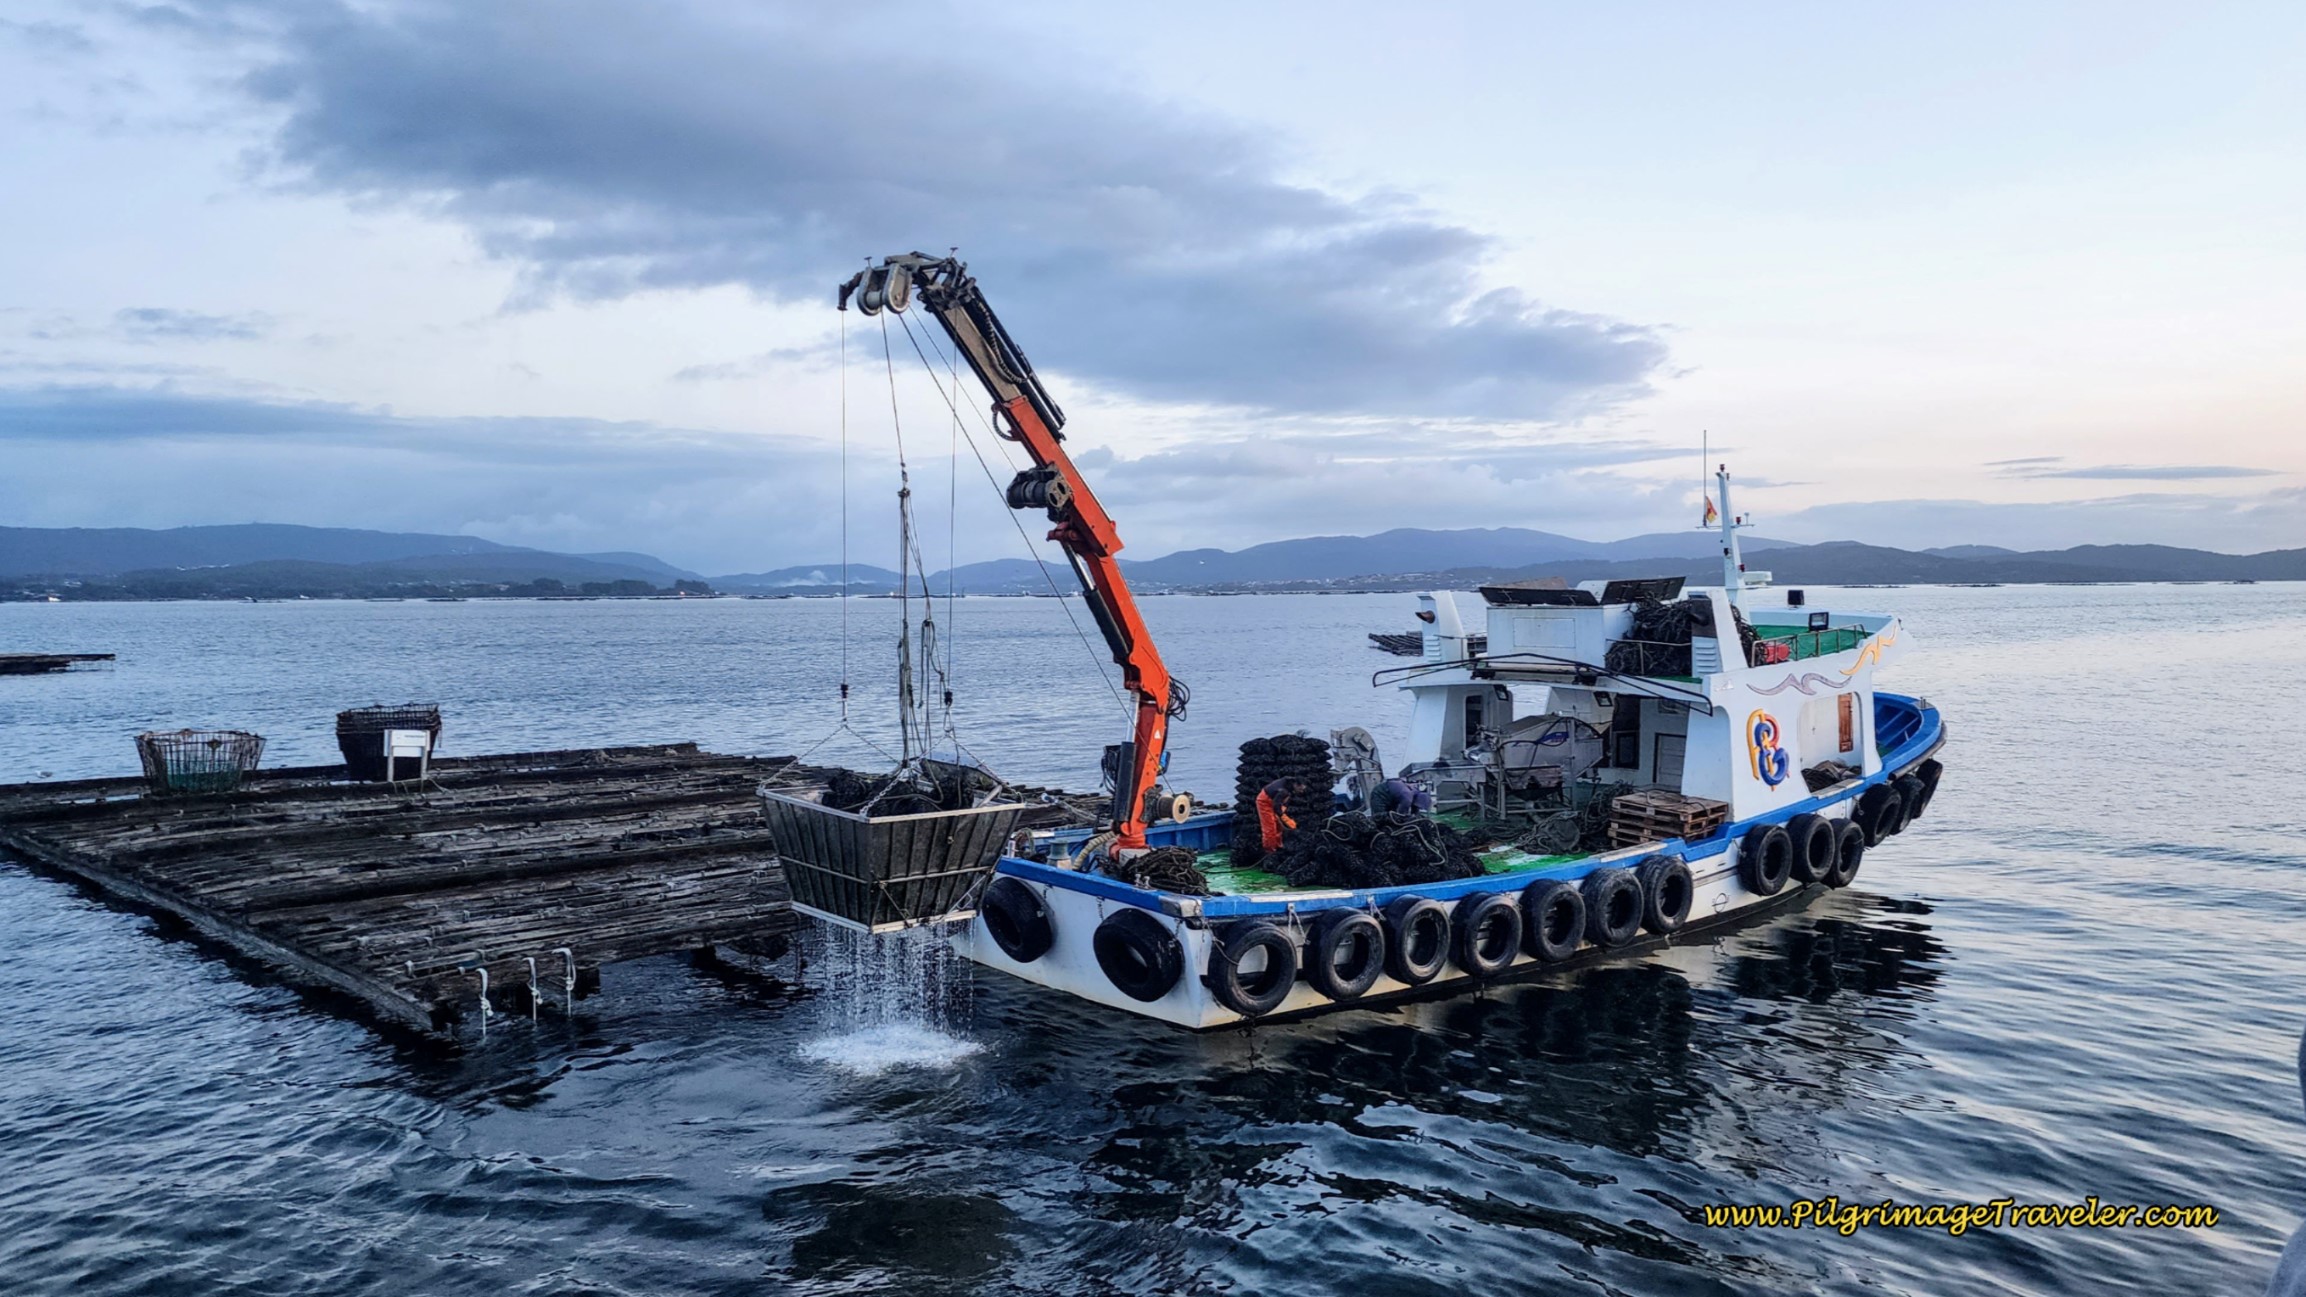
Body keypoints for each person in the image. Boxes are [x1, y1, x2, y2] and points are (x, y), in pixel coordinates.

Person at [1255, 775, 1307, 854]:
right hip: (1264, 802)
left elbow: (1283, 803)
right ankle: (1270, 850)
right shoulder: (1283, 791)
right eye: (1301, 789)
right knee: (1270, 828)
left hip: (1276, 800)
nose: (1301, 792)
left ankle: (1278, 846)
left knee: (1278, 826)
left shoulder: (1290, 783)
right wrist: (1286, 820)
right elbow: (1276, 807)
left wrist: (1282, 815)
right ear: (1296, 785)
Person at [1368, 776, 1434, 816]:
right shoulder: (1407, 798)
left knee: (1391, 815)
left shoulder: (1416, 792)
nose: (1419, 808)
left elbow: (1415, 810)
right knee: (1379, 817)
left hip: (1393, 797)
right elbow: (1401, 816)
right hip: (1380, 794)